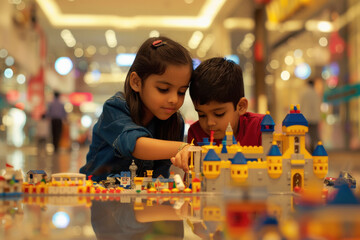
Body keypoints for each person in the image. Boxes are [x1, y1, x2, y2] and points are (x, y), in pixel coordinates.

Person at [80, 37, 193, 182]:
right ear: (136, 82)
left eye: (181, 92)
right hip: (100, 194)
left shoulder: (174, 122)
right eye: (163, 89)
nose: (174, 99)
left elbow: (159, 177)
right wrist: (183, 147)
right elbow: (135, 145)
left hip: (142, 197)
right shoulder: (115, 109)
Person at [187, 57, 264, 146]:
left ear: (241, 106)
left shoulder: (260, 127)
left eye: (219, 114)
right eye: (202, 115)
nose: (210, 123)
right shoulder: (196, 133)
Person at [300, 78, 321, 153]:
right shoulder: (315, 93)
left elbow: (301, 106)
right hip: (314, 118)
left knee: (303, 136)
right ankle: (317, 150)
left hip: (305, 118)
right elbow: (317, 107)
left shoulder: (304, 93)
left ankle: (305, 150)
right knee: (314, 136)